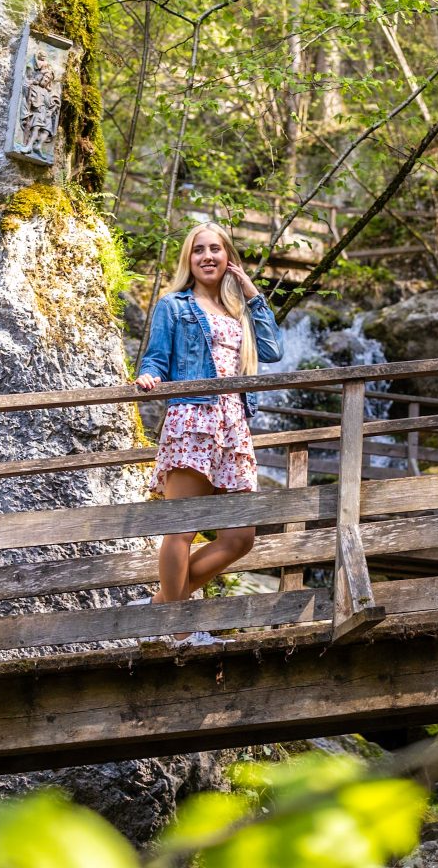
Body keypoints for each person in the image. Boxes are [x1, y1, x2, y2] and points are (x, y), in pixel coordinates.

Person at [134, 222, 283, 645]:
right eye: (198, 250)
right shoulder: (173, 305)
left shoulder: (239, 311)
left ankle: (160, 608)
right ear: (188, 259)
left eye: (215, 249)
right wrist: (148, 376)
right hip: (193, 422)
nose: (207, 256)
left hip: (234, 427)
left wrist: (251, 291)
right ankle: (180, 631)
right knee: (181, 531)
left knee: (240, 537)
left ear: (228, 256)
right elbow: (156, 358)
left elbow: (272, 350)